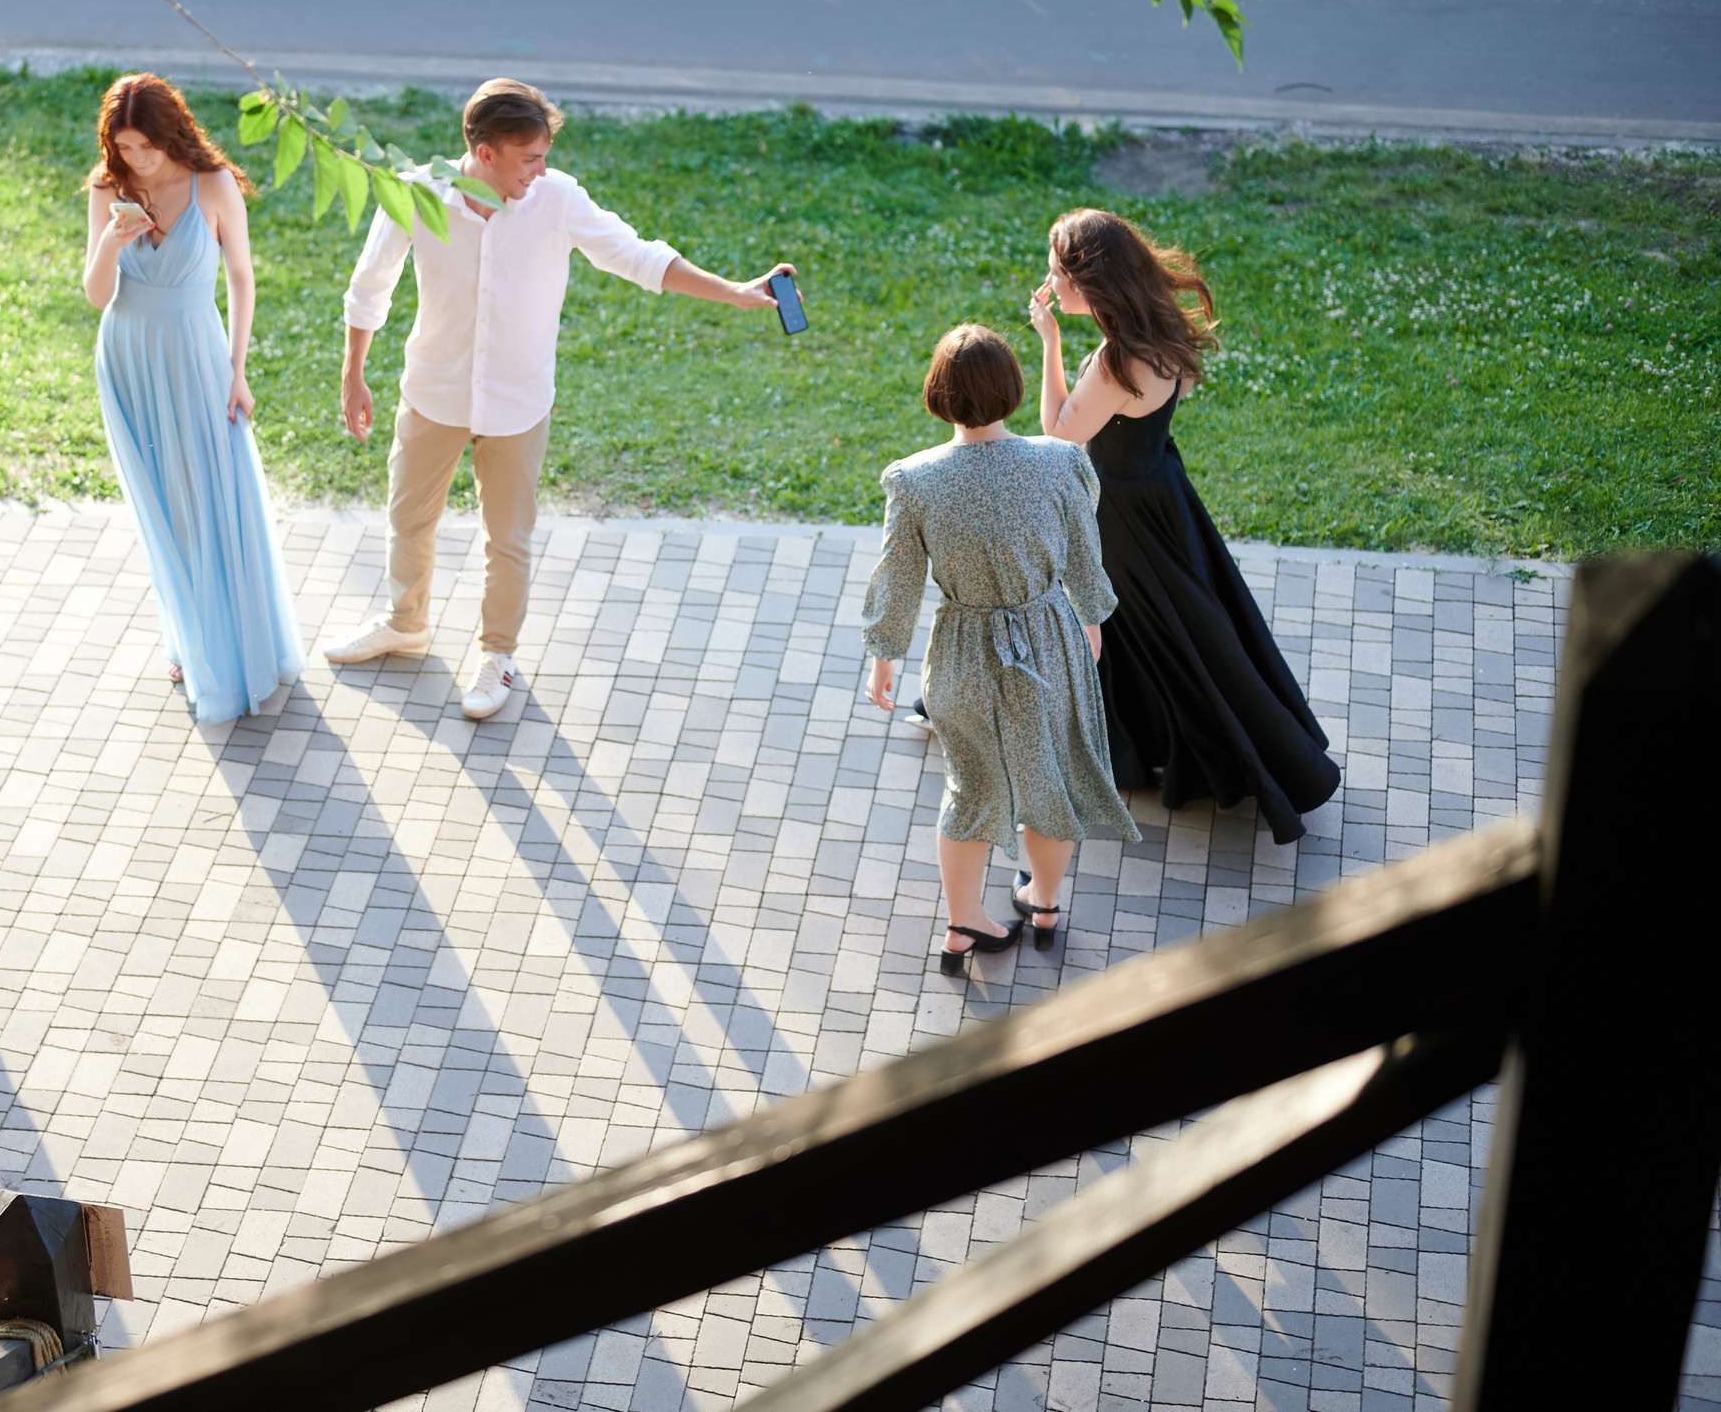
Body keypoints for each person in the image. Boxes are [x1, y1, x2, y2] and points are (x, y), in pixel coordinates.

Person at [325, 78, 797, 720]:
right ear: (485, 154)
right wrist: (354, 374)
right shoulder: (416, 191)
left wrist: (738, 291)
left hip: (518, 402)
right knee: (408, 520)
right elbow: (368, 286)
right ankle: (405, 624)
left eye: (544, 157)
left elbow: (638, 257)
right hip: (433, 391)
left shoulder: (557, 198)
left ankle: (498, 656)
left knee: (507, 539)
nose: (540, 172)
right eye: (529, 159)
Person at [1027, 207, 1340, 844]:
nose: (1050, 282)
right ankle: (1128, 745)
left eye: (1059, 271)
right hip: (1160, 492)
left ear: (1092, 282)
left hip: (1122, 514)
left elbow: (1058, 436)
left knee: (1148, 630)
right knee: (1177, 629)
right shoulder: (1158, 330)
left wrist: (1051, 344)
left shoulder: (1119, 359)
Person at [863, 324, 1138, 973]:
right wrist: (1090, 623)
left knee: (969, 787)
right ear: (1012, 390)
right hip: (1047, 638)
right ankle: (1042, 905)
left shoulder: (915, 481)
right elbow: (1082, 554)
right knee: (1051, 776)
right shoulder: (1059, 461)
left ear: (938, 395)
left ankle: (963, 927)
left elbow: (896, 579)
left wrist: (885, 655)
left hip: (961, 649)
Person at [82, 74, 304, 723]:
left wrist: (238, 370)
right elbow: (97, 295)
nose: (137, 160)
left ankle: (232, 639)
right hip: (128, 356)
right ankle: (186, 633)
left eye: (146, 146)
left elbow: (241, 276)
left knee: (211, 493)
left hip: (196, 354)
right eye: (124, 147)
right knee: (162, 503)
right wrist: (108, 244)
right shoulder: (107, 188)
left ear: (169, 132)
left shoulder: (213, 185)